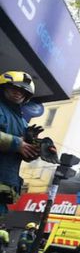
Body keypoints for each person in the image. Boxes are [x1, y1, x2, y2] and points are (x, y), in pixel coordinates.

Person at [0, 71, 40, 216]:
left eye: (22, 92)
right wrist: (18, 143)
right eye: (14, 88)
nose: (18, 93)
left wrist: (37, 148)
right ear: (3, 87)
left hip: (5, 184)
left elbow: (26, 153)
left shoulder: (23, 123)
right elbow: (19, 145)